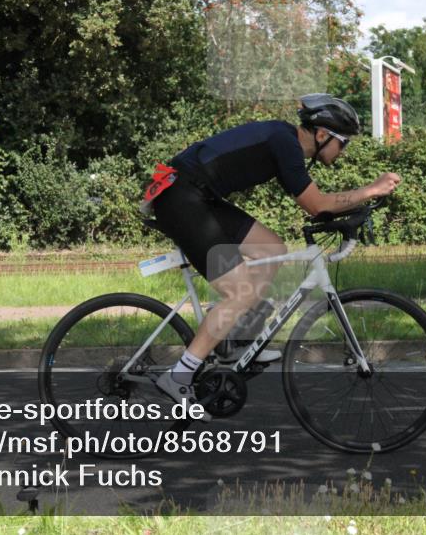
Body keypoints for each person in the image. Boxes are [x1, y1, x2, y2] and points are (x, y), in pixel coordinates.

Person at [143, 94, 400, 415]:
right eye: (343, 142)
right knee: (240, 291)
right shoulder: (285, 144)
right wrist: (371, 190)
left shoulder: (284, 142)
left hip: (198, 196)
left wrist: (352, 211)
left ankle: (235, 342)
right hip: (181, 199)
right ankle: (179, 376)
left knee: (271, 248)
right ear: (322, 135)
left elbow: (316, 206)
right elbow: (317, 204)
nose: (344, 151)